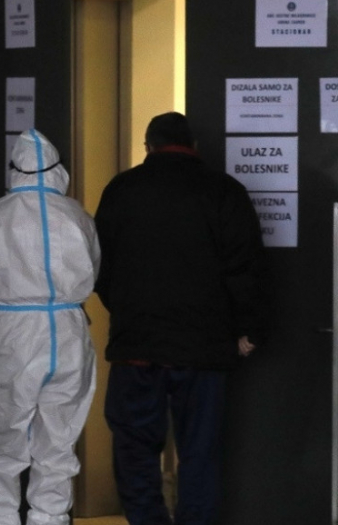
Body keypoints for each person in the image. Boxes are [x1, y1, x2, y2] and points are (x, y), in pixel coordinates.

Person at [94, 112, 264, 525]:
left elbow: (99, 267)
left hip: (137, 346)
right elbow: (245, 269)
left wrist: (128, 310)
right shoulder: (224, 191)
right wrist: (248, 328)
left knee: (134, 450)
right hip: (203, 349)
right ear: (195, 147)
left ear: (147, 146)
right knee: (199, 452)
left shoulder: (121, 190)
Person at [0, 129, 100, 525]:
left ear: (15, 170)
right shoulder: (78, 216)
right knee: (58, 445)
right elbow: (95, 269)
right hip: (68, 332)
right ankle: (50, 518)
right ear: (58, 170)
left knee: (0, 447)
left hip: (10, 337)